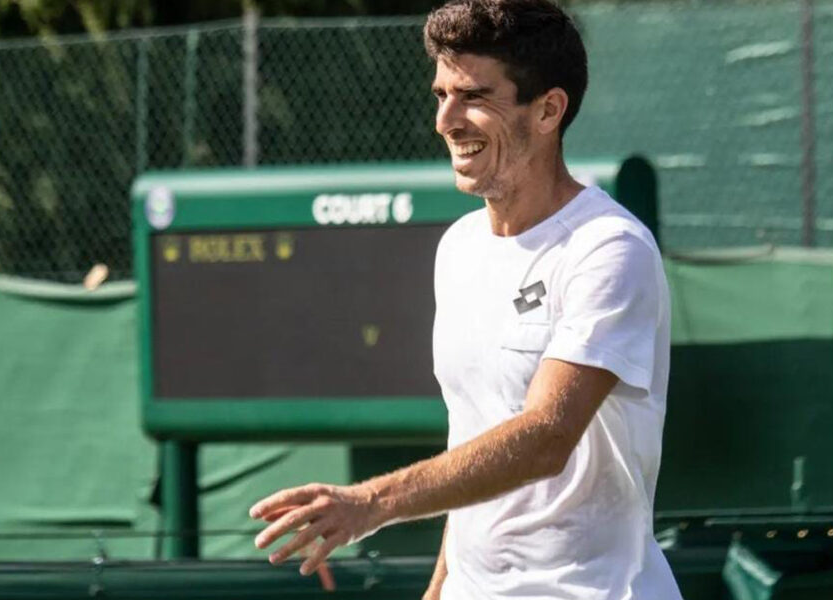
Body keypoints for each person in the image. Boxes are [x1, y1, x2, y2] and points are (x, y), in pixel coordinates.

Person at [250, 0, 682, 598]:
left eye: (474, 96)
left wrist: (369, 503)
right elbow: (475, 439)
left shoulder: (609, 249)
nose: (446, 120)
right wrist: (440, 586)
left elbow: (544, 438)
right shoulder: (457, 248)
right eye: (440, 94)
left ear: (548, 110)